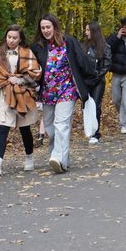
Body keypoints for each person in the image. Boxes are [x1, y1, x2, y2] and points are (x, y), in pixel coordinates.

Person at [31, 14, 96, 173]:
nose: (46, 30)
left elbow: (82, 61)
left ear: (54, 27)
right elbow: (32, 67)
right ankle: (61, 160)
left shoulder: (69, 42)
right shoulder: (38, 47)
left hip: (67, 89)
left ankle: (58, 158)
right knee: (49, 126)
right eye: (43, 28)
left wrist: (89, 81)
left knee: (62, 125)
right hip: (47, 92)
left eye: (48, 27)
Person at [0, 25, 42, 177]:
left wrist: (20, 79)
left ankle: (29, 157)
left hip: (23, 94)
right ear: (6, 37)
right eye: (9, 37)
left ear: (20, 38)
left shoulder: (27, 52)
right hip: (4, 94)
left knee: (24, 128)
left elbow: (36, 73)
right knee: (3, 127)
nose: (11, 40)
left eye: (15, 37)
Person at [83, 21, 111, 142]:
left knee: (96, 105)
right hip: (85, 81)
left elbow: (107, 64)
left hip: (98, 81)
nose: (86, 32)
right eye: (85, 30)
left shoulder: (105, 47)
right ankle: (89, 129)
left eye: (88, 30)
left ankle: (95, 133)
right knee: (86, 106)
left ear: (94, 31)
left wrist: (97, 75)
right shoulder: (84, 46)